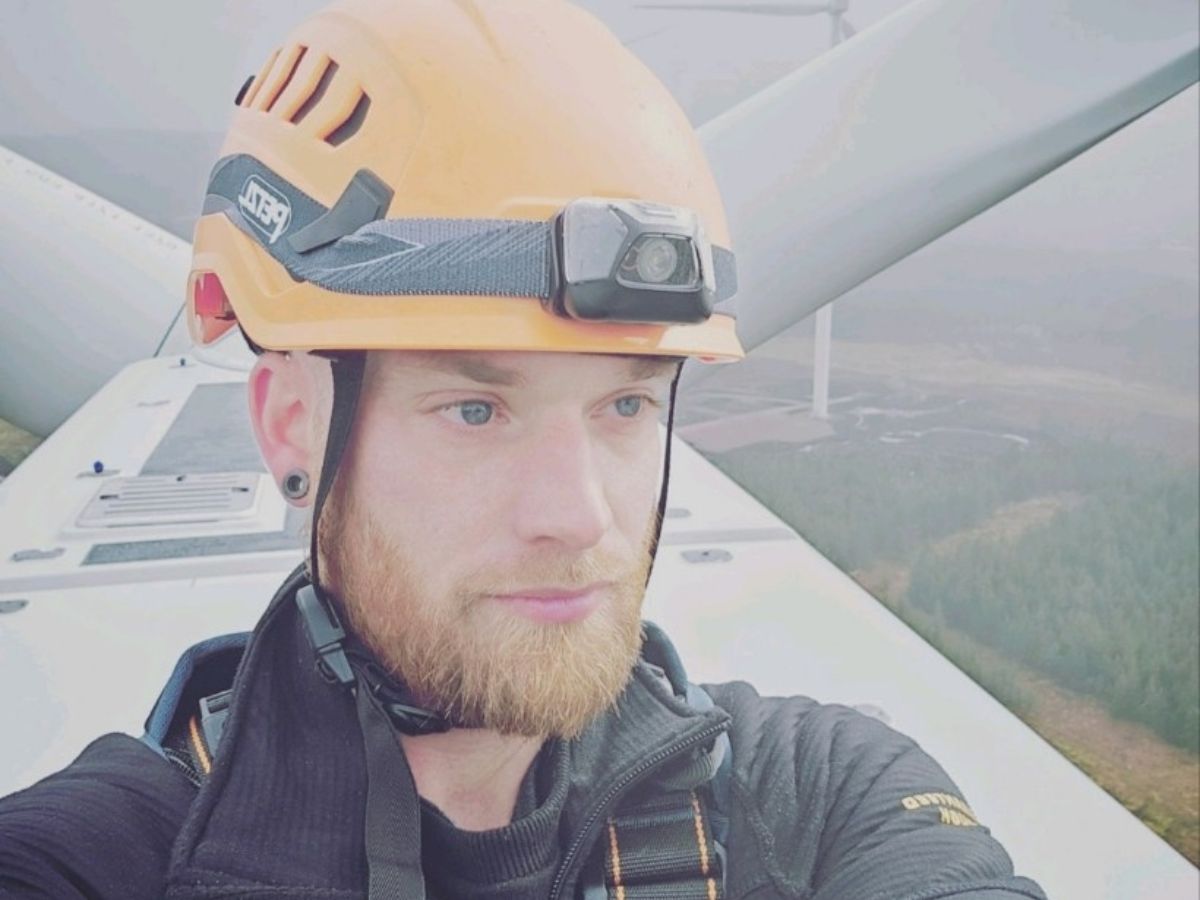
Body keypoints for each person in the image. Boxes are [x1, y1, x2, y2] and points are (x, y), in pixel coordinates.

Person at [0, 1, 1047, 897]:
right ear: (289, 426)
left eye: (626, 408)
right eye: (475, 411)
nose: (580, 514)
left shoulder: (816, 793)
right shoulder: (111, 852)